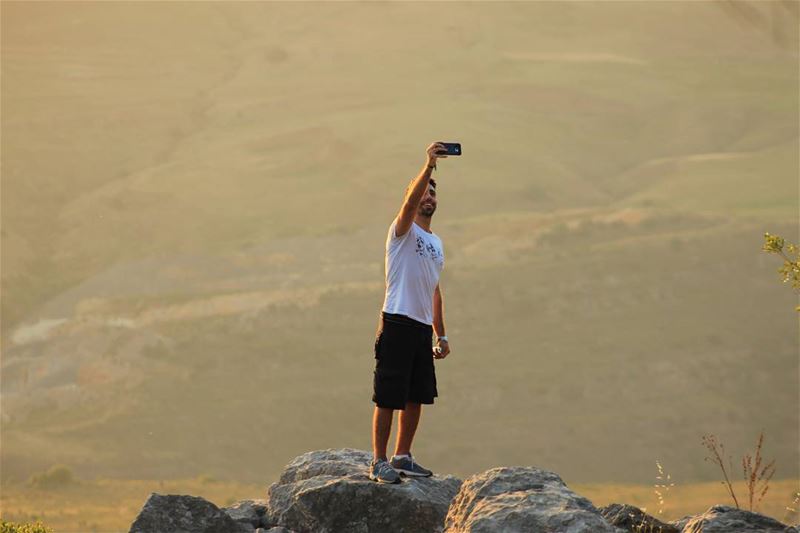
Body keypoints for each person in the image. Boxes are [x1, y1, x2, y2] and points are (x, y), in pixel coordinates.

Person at [368, 142, 453, 484]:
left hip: (420, 327)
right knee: (389, 394)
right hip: (397, 320)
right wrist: (429, 165)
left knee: (417, 395)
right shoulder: (401, 231)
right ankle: (378, 461)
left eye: (434, 193)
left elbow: (434, 289)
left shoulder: (436, 243)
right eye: (424, 192)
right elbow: (408, 202)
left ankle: (402, 456)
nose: (429, 197)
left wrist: (441, 333)